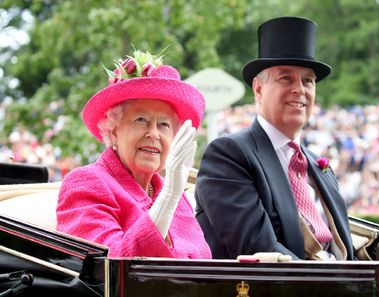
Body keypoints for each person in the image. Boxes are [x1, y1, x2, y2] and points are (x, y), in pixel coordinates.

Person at [195, 16, 354, 260]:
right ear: (258, 89)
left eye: (308, 81)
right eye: (286, 78)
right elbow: (258, 248)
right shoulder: (229, 155)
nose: (300, 89)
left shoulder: (320, 166)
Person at [57, 48, 211, 259]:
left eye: (164, 124)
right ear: (113, 130)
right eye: (141, 120)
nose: (154, 134)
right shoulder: (86, 183)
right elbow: (110, 267)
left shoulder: (173, 193)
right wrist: (167, 199)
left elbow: (203, 261)